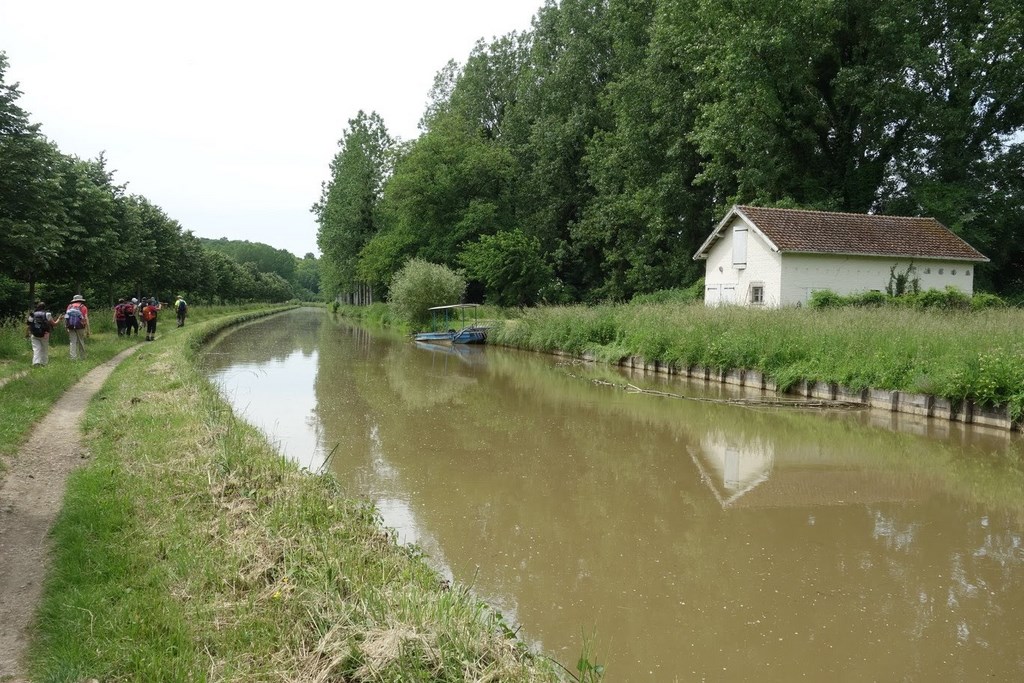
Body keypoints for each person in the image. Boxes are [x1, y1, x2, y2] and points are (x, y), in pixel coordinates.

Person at [25, 301, 60, 367]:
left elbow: (28, 324)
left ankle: (35, 363)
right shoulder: (47, 314)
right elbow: (54, 324)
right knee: (44, 349)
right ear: (44, 307)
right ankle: (44, 363)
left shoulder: (32, 314)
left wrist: (27, 333)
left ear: (37, 306)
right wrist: (59, 319)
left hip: (34, 334)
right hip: (45, 334)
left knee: (36, 349)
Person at [65, 294, 90, 360]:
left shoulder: (69, 306)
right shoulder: (83, 307)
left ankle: (73, 357)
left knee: (72, 342)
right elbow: (86, 318)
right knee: (81, 341)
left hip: (71, 326)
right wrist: (88, 329)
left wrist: (66, 326)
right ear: (81, 300)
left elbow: (66, 317)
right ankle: (82, 357)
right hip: (80, 326)